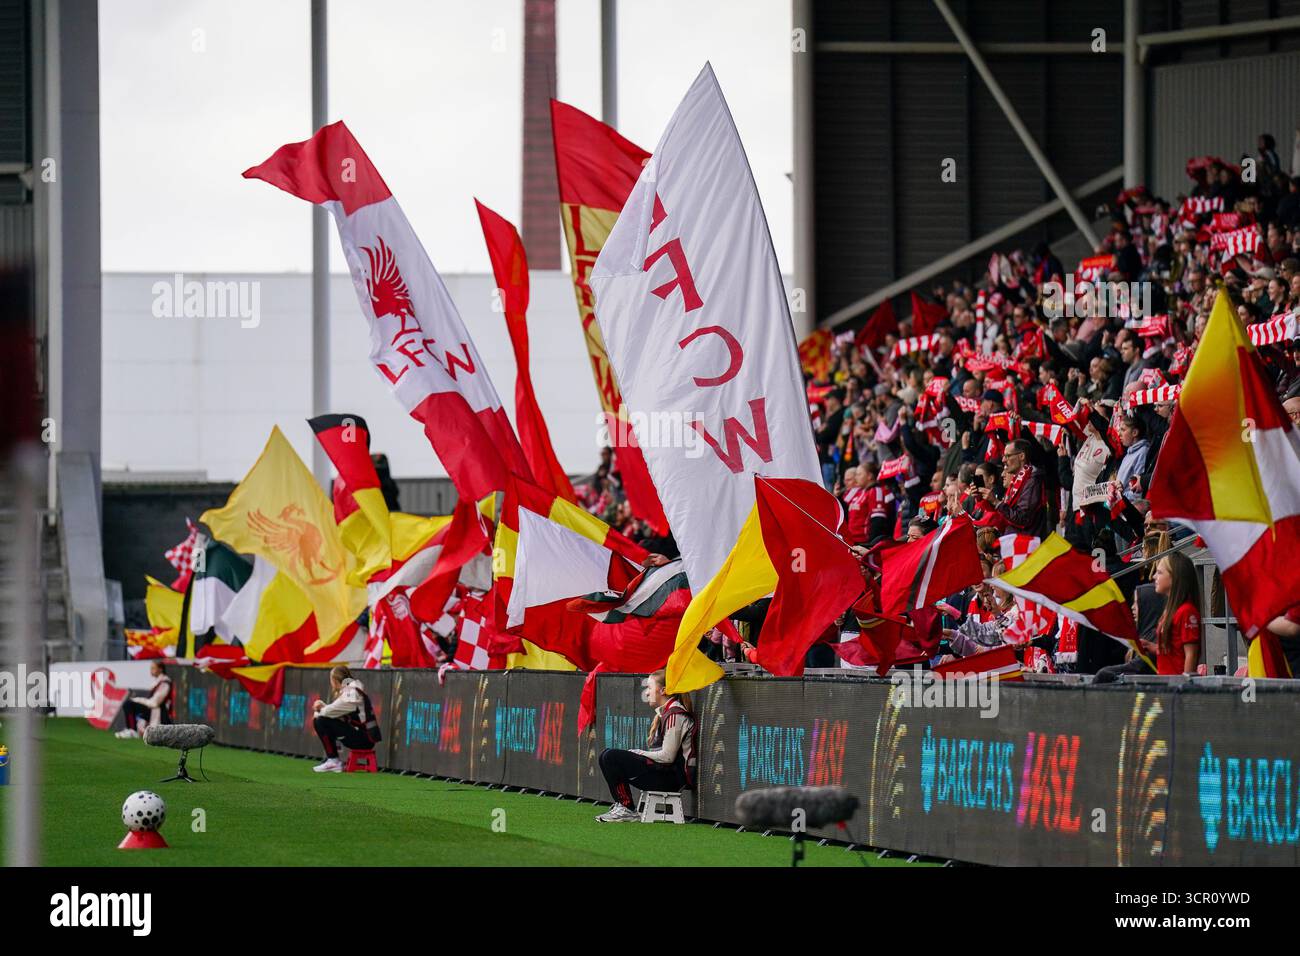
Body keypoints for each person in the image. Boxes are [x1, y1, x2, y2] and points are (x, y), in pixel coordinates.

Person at [596, 670, 697, 823]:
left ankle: (626, 808)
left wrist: (639, 753)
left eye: (649, 687)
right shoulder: (667, 713)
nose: (647, 693)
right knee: (606, 755)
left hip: (672, 779)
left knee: (611, 757)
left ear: (663, 690)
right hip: (664, 773)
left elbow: (667, 757)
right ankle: (623, 805)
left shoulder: (676, 715)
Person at [310, 665, 381, 772]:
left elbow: (330, 711)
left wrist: (320, 709)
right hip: (363, 736)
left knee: (320, 721)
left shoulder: (351, 692)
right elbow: (335, 710)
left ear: (334, 680)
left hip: (364, 739)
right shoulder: (351, 689)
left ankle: (333, 760)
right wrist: (322, 707)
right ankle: (332, 759)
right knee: (322, 719)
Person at [115, 661, 173, 739]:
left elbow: (155, 703)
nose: (151, 670)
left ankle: (132, 730)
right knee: (129, 704)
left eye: (153, 668)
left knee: (129, 704)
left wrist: (137, 700)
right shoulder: (158, 681)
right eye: (151, 668)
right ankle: (131, 729)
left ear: (160, 669)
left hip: (159, 713)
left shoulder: (165, 683)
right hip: (153, 711)